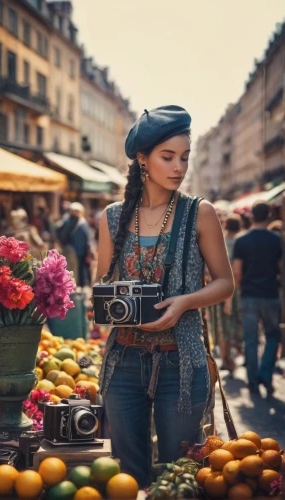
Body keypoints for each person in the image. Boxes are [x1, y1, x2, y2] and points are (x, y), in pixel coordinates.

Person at [96, 106, 234, 488]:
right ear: (142, 159)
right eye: (168, 157)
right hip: (122, 363)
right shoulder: (111, 217)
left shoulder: (199, 212)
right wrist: (119, 306)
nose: (179, 167)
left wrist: (184, 302)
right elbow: (102, 287)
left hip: (183, 364)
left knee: (180, 476)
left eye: (184, 158)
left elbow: (225, 283)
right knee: (128, 477)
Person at [232, 201, 282, 396]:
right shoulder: (276, 239)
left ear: (252, 215)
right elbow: (280, 267)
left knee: (250, 339)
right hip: (270, 293)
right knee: (272, 335)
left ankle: (252, 380)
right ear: (269, 215)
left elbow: (236, 271)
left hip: (249, 294)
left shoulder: (242, 240)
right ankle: (266, 374)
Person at [216, 214, 243, 372]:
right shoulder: (241, 240)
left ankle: (226, 358)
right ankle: (235, 352)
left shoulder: (222, 240)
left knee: (222, 324)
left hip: (221, 286)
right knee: (235, 320)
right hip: (237, 287)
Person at [56, 202, 92, 288]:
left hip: (68, 250)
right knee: (78, 272)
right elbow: (87, 238)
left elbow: (57, 231)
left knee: (69, 271)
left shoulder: (66, 220)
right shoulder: (82, 222)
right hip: (79, 251)